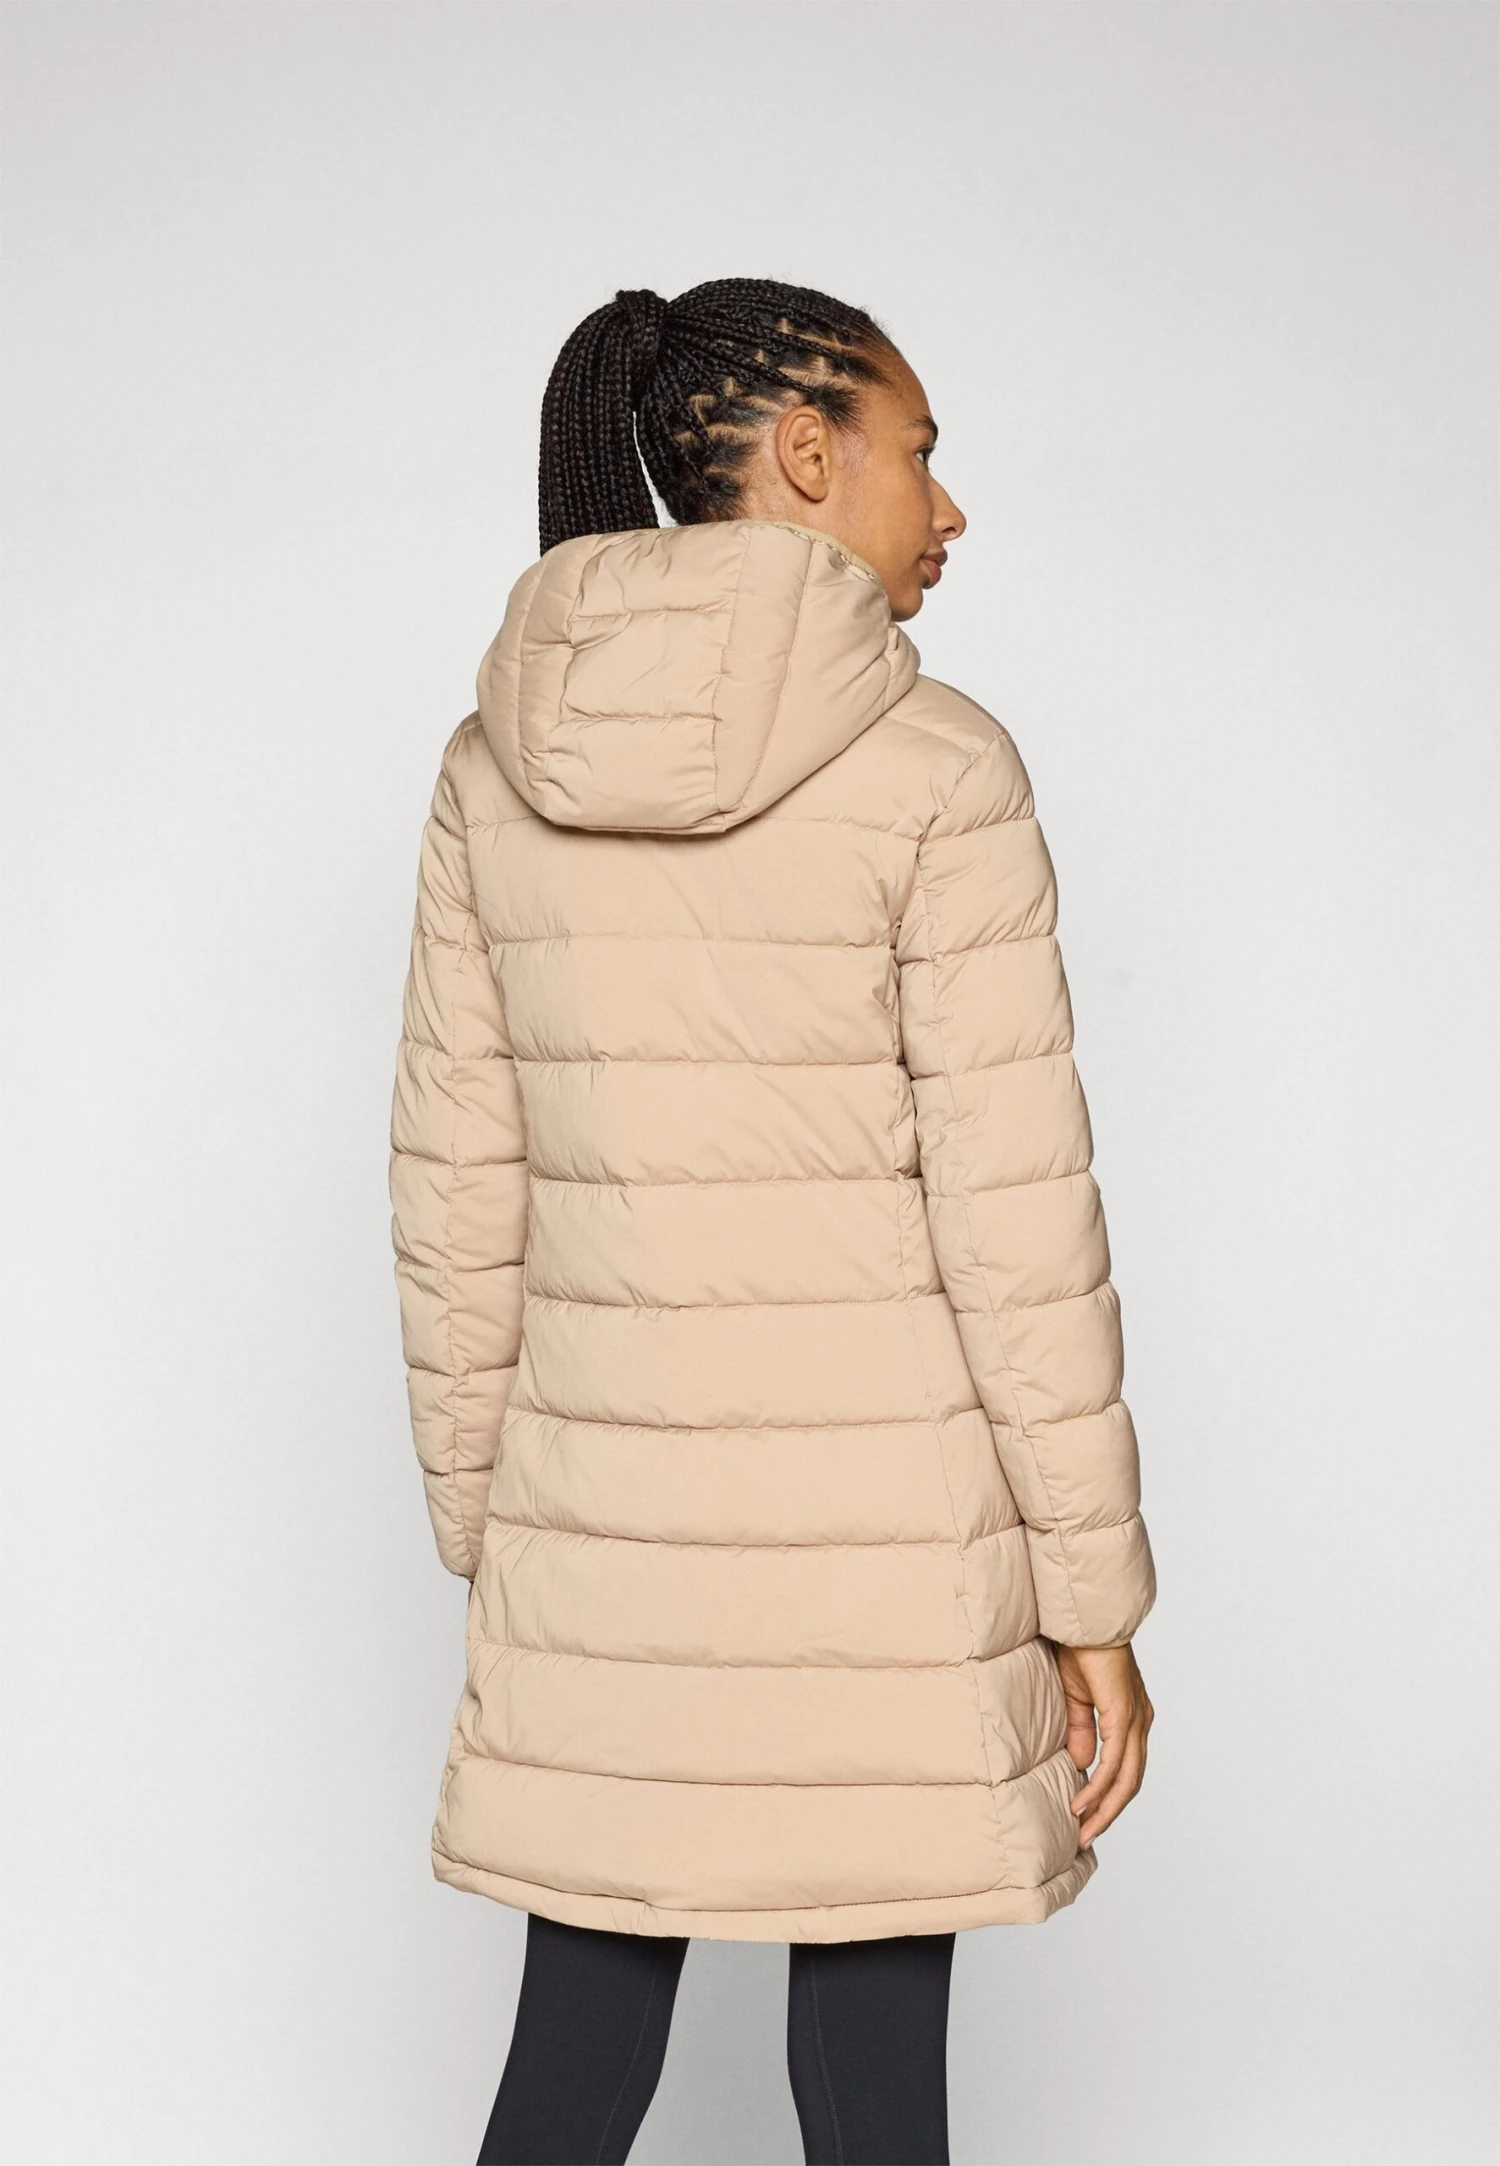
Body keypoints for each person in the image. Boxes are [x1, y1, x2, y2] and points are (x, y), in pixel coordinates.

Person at [388, 278, 1157, 2166]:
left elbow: (458, 1189)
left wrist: (500, 1525)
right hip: (892, 1551)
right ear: (807, 454)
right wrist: (1091, 1598)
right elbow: (1017, 1221)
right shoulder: (941, 771)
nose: (947, 507)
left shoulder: (494, 767)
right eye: (920, 451)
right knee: (879, 2099)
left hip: (604, 1534)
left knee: (571, 2069)